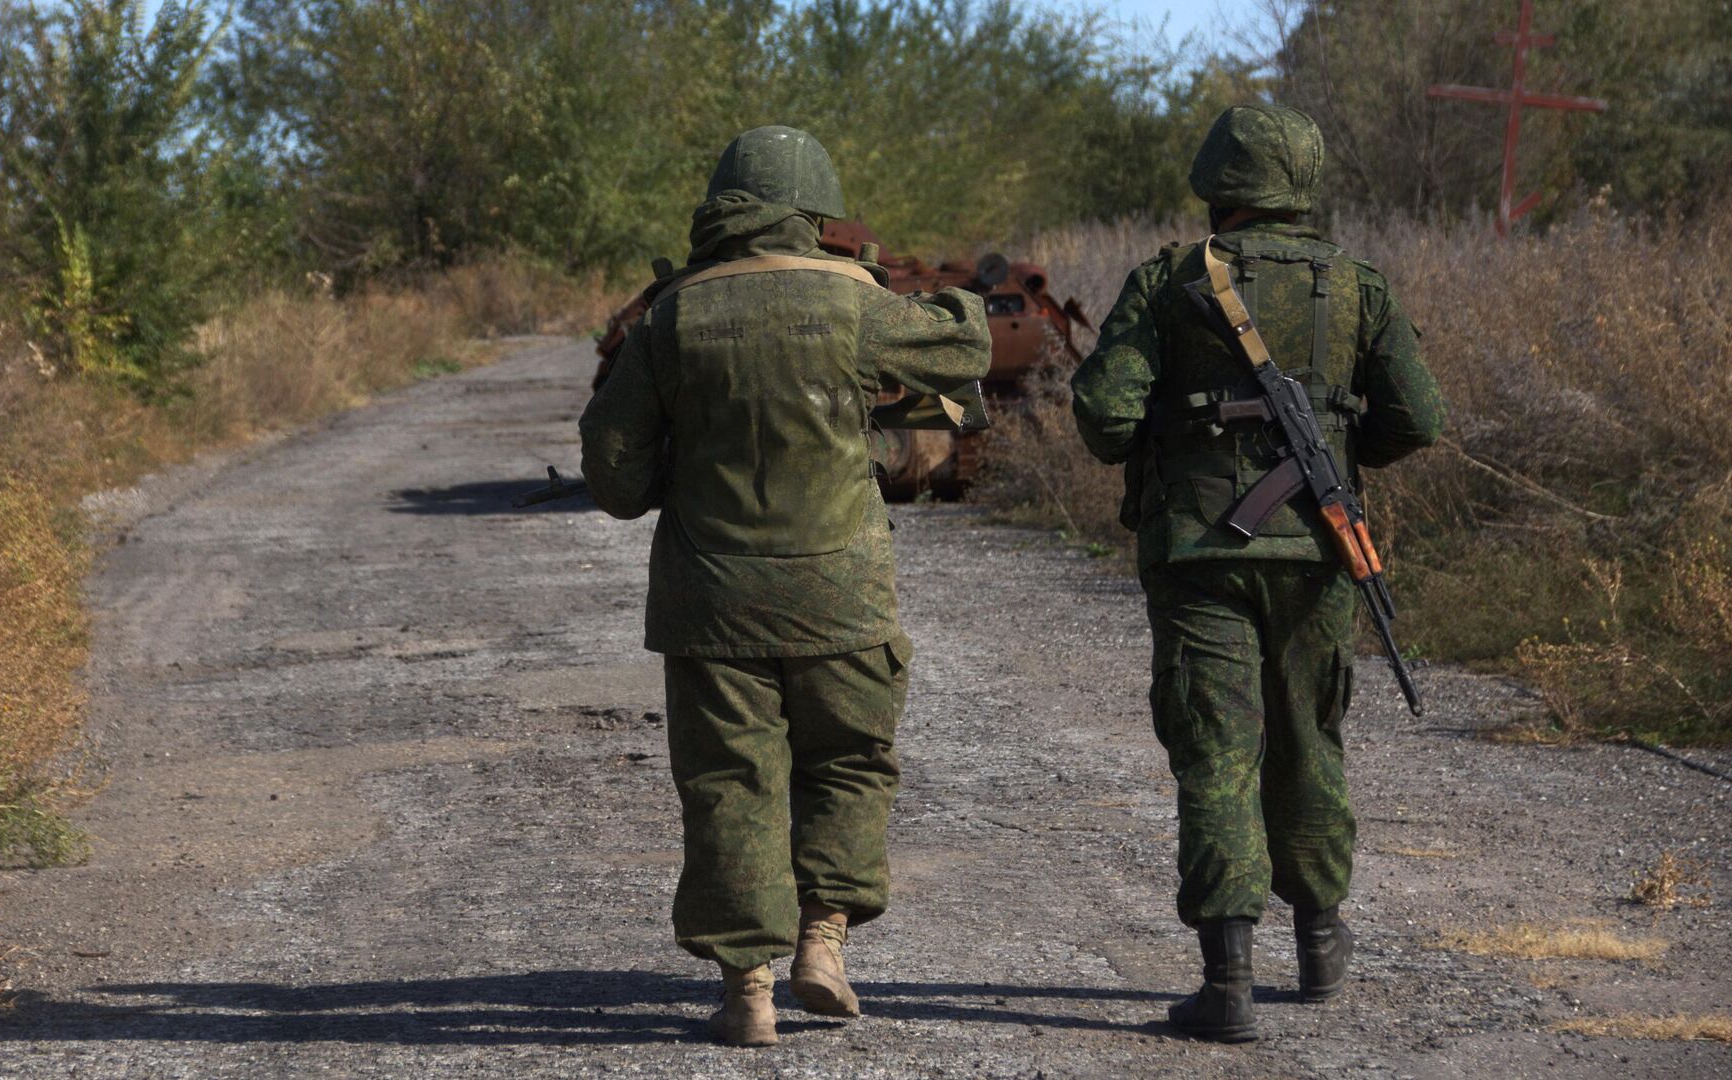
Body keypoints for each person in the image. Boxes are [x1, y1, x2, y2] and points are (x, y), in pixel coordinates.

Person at [578, 125, 992, 1047]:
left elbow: (614, 480)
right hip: (842, 595)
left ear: (720, 210)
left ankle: (748, 995)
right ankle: (824, 942)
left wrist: (678, 473)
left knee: (730, 782)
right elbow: (966, 348)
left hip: (710, 601)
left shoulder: (669, 318)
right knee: (847, 764)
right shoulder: (854, 304)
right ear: (815, 212)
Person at [1069, 104, 1445, 1042]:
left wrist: (1176, 425)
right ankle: (1320, 943)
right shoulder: (1357, 285)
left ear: (1218, 182)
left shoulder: (1169, 281)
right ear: (1303, 181)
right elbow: (1418, 418)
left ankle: (1228, 983)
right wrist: (1339, 451)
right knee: (1311, 738)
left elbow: (1103, 418)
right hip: (1320, 550)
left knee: (1217, 750)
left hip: (1201, 555)